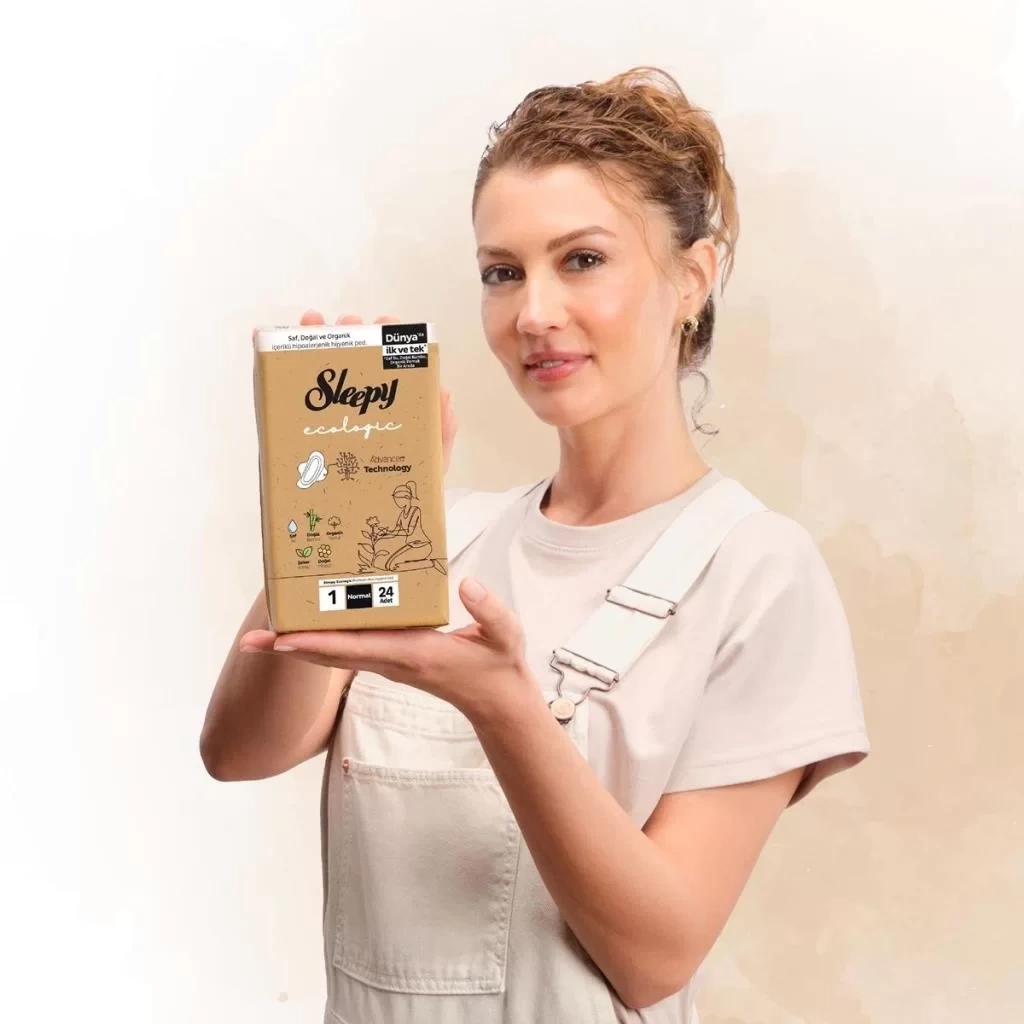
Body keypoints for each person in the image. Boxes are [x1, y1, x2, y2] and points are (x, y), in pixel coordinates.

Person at [200, 66, 870, 1024]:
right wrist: (338, 512)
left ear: (693, 277)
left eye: (582, 260)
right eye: (502, 272)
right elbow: (240, 752)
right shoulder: (432, 541)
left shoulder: (758, 574)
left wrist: (505, 708)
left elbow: (654, 957)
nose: (534, 314)